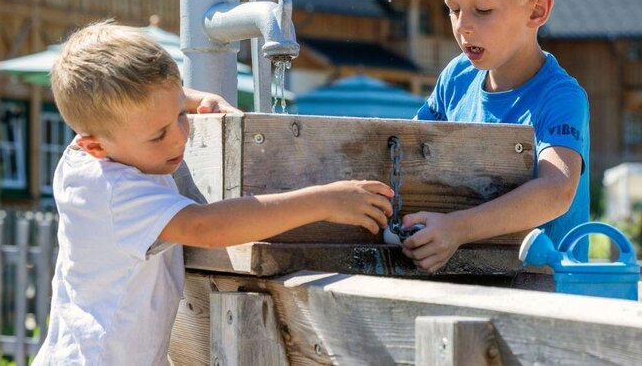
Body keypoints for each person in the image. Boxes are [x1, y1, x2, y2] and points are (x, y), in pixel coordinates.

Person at [33, 22, 392, 366]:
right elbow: (206, 228)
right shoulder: (115, 192)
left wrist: (202, 98)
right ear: (95, 146)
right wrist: (324, 201)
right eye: (158, 135)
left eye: (180, 115)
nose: (179, 137)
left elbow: (152, 104)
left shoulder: (92, 150)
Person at [402, 0, 590, 273]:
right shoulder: (456, 77)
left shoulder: (562, 98)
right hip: (471, 279)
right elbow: (408, 148)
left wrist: (458, 228)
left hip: (551, 291)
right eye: (453, 9)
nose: (462, 26)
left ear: (537, 11)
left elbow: (556, 191)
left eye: (482, 10)